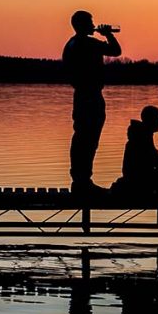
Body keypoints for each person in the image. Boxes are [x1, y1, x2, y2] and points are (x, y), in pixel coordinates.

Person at [62, 10, 122, 195]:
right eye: (90, 22)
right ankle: (83, 182)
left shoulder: (71, 44)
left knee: (81, 138)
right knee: (88, 140)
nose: (93, 25)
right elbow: (116, 51)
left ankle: (79, 180)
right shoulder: (88, 43)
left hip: (80, 95)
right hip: (91, 96)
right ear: (81, 25)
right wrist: (108, 34)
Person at [113, 106, 158, 195]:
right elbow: (151, 160)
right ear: (151, 120)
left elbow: (152, 158)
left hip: (139, 174)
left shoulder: (143, 134)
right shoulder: (142, 137)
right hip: (138, 177)